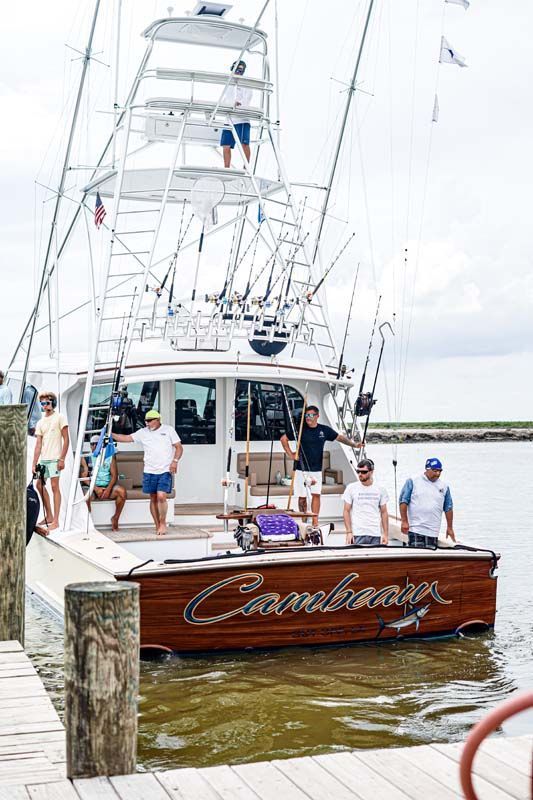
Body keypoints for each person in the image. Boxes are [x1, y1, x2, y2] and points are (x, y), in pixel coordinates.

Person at [280, 405, 364, 526]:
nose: (308, 418)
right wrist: (291, 454)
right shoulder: (299, 429)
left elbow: (340, 438)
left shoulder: (324, 430)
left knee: (316, 495)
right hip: (300, 468)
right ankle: (304, 521)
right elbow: (283, 439)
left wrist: (354, 445)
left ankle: (315, 522)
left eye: (311, 415)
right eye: (307, 415)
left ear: (317, 416)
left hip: (316, 469)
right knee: (302, 497)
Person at [112, 409, 183, 536]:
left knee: (161, 496)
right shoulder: (143, 432)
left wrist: (175, 461)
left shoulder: (168, 430)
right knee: (153, 498)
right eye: (145, 420)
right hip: (149, 471)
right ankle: (157, 525)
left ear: (157, 420)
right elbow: (127, 438)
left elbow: (179, 447)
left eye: (149, 421)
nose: (147, 423)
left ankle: (163, 523)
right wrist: (110, 434)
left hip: (165, 470)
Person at [32, 392, 69, 531]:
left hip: (55, 459)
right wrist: (34, 463)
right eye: (42, 403)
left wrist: (62, 459)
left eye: (47, 402)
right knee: (39, 485)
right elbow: (38, 445)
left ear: (53, 402)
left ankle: (56, 521)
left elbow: (66, 439)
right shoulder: (40, 422)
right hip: (44, 460)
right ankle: (49, 515)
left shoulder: (60, 417)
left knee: (55, 487)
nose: (44, 406)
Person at [399, 457, 455, 548]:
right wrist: (404, 521)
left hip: (433, 531)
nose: (437, 474)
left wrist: (450, 527)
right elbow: (403, 501)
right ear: (427, 469)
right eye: (435, 471)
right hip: (416, 529)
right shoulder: (413, 481)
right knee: (417, 558)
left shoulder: (444, 486)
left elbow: (448, 507)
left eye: (440, 471)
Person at [80, 435, 127, 531]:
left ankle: (115, 518)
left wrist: (108, 489)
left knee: (122, 492)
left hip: (107, 487)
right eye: (92, 444)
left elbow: (114, 475)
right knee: (86, 496)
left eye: (96, 444)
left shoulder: (109, 457)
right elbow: (84, 478)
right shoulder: (87, 457)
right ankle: (89, 523)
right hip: (94, 488)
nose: (93, 446)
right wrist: (96, 489)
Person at [343, 458, 389, 546]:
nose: (360, 474)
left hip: (375, 533)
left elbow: (384, 512)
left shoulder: (380, 489)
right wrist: (349, 532)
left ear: (371, 472)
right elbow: (346, 511)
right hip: (358, 533)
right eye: (358, 471)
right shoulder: (351, 488)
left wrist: (386, 534)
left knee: (375, 559)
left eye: (364, 472)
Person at [220, 60, 252, 168]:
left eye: (240, 70)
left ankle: (246, 167)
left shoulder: (246, 84)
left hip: (241, 119)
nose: (238, 72)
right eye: (236, 69)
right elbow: (223, 99)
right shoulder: (227, 84)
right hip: (228, 119)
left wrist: (240, 104)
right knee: (226, 145)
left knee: (244, 144)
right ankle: (226, 168)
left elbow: (247, 98)